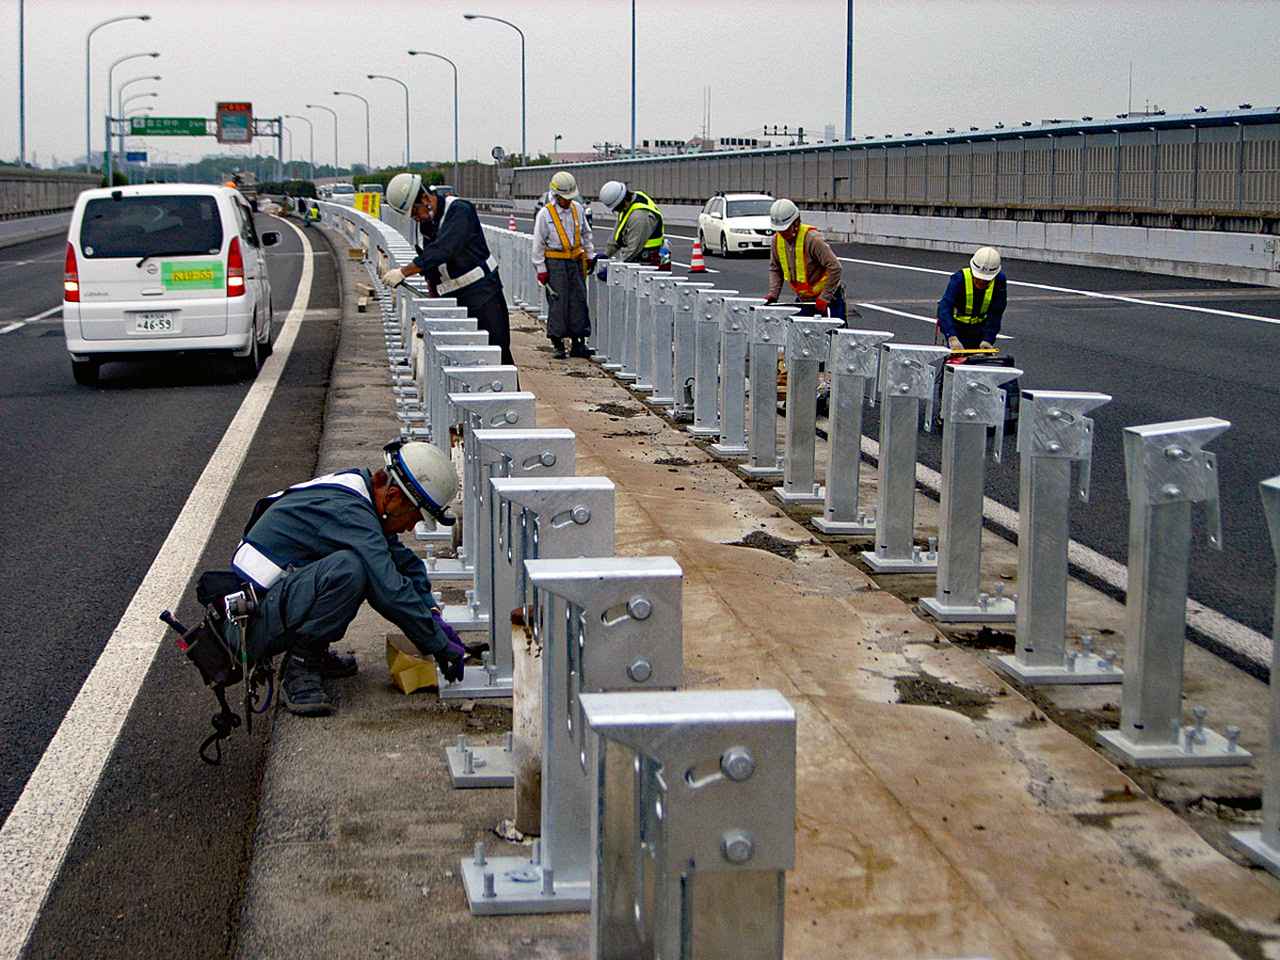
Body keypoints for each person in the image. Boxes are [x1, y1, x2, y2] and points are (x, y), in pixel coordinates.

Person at [231, 440, 467, 717]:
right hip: (248, 624)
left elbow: (406, 565)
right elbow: (389, 589)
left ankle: (313, 653)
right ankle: (301, 665)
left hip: (271, 603)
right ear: (392, 496)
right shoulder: (350, 513)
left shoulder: (360, 493)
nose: (409, 527)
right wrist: (437, 644)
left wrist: (432, 613)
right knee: (350, 570)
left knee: (357, 566)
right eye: (413, 516)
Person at [380, 173, 514, 365]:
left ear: (425, 199)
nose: (416, 218)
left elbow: (443, 250)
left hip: (483, 295)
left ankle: (508, 394)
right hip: (456, 299)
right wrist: (434, 301)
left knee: (496, 355)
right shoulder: (428, 225)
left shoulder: (460, 211)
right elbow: (432, 267)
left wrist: (403, 272)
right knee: (466, 359)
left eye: (415, 212)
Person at [533, 171, 595, 359]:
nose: (567, 202)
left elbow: (586, 234)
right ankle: (558, 343)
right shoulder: (545, 214)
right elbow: (538, 243)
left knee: (578, 300)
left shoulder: (577, 208)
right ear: (556, 195)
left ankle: (579, 342)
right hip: (555, 261)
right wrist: (541, 268)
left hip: (575, 260)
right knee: (558, 302)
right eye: (564, 198)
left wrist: (590, 255)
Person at [764, 198, 846, 321]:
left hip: (829, 299)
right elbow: (775, 268)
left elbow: (835, 267)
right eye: (779, 230)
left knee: (833, 336)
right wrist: (773, 294)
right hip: (804, 300)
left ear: (796, 224)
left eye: (785, 230)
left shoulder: (812, 240)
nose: (782, 234)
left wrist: (825, 297)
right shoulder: (777, 241)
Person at [937, 246, 1006, 350]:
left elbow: (996, 312)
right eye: (979, 279)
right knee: (955, 362)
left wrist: (988, 339)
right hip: (958, 329)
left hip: (980, 329)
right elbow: (945, 308)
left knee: (979, 363)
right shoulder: (959, 279)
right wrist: (951, 337)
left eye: (986, 281)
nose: (982, 283)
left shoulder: (999, 280)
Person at [599, 179, 665, 268]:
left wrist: (614, 270)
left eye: (616, 209)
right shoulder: (629, 204)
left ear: (622, 203)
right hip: (638, 259)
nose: (617, 211)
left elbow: (632, 250)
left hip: (646, 262)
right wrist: (606, 255)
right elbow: (617, 235)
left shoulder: (639, 216)